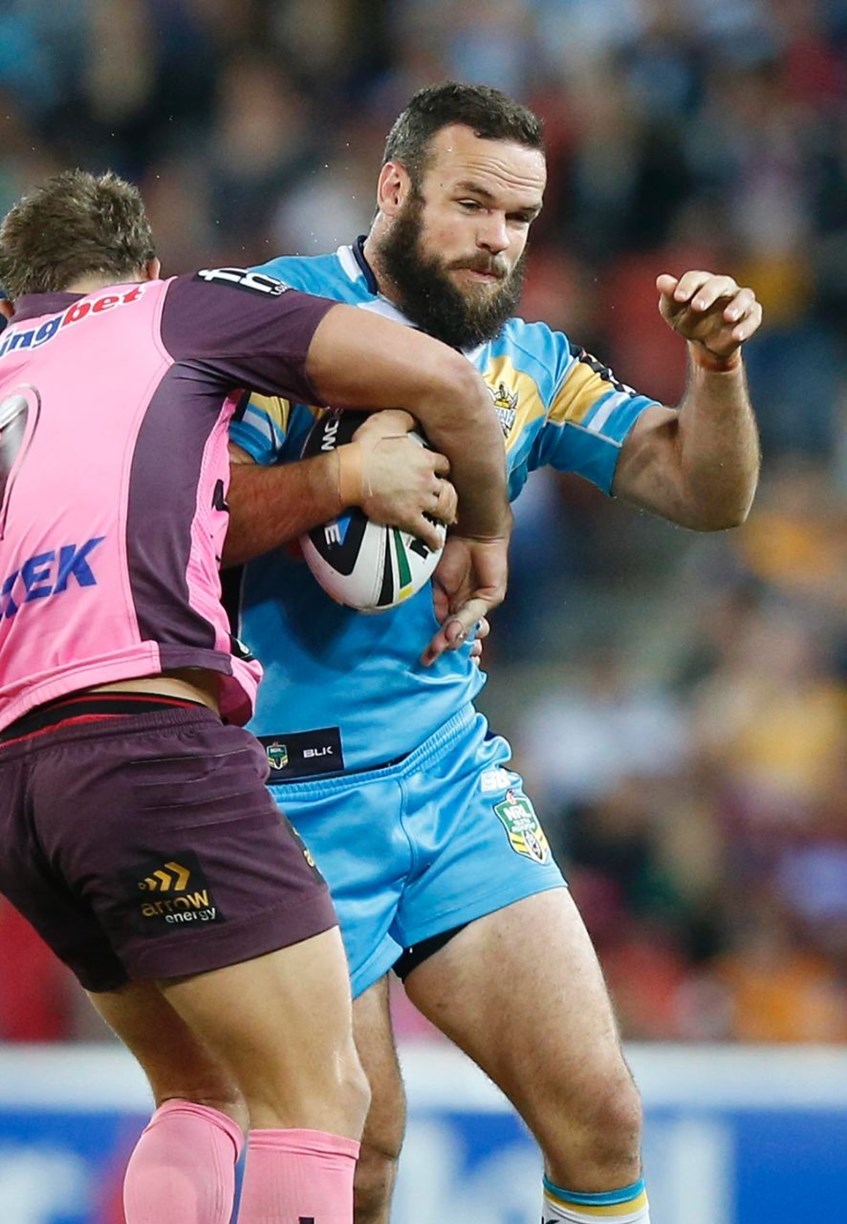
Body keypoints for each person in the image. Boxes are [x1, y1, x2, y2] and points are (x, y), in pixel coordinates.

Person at [225, 82, 762, 1224]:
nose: (496, 241)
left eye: (518, 218)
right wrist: (338, 478)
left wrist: (715, 369)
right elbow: (181, 518)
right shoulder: (278, 319)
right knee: (362, 1156)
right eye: (471, 205)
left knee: (601, 1116)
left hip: (444, 773)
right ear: (395, 188)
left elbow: (705, 491)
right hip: (277, 799)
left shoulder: (529, 361)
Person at [0, 168, 512, 1224]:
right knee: (317, 1097)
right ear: (146, 268)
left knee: (198, 1092)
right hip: (147, 740)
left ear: (13, 299)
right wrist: (484, 532)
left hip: (19, 788)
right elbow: (450, 382)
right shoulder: (174, 308)